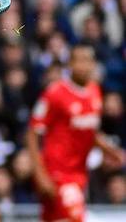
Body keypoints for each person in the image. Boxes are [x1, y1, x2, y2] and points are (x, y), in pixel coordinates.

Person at [26, 44, 126, 222]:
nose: (84, 66)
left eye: (88, 60)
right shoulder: (55, 93)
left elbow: (89, 132)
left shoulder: (95, 91)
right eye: (79, 60)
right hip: (57, 173)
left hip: (79, 171)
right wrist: (40, 174)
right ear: (70, 64)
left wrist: (111, 151)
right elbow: (32, 132)